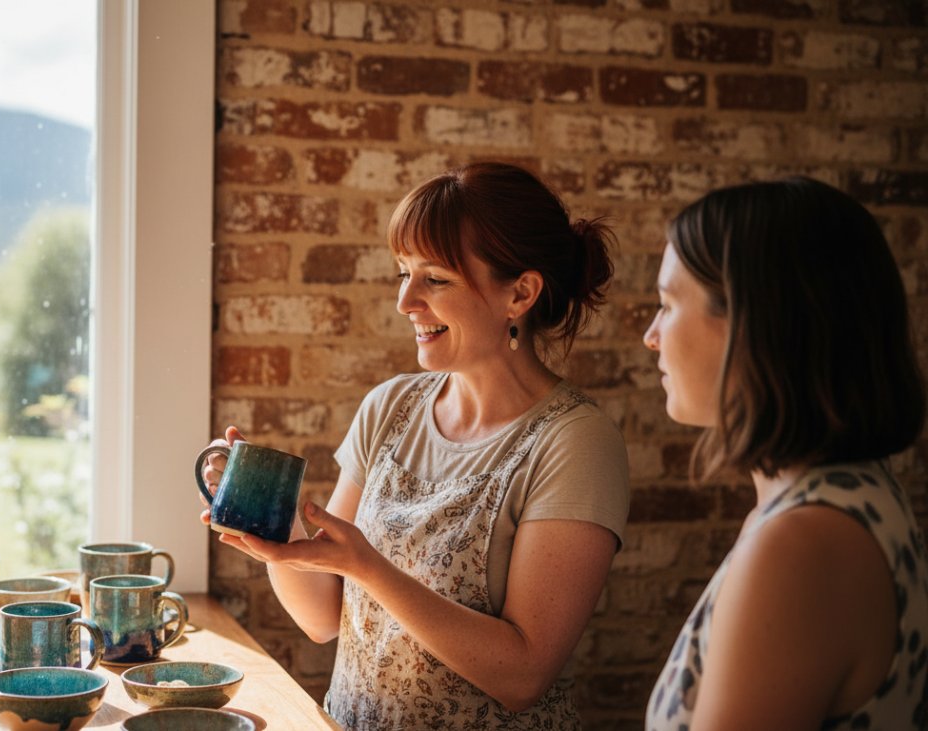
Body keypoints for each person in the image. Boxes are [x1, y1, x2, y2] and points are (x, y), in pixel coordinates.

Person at [200, 162, 631, 730]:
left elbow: (525, 674)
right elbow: (323, 616)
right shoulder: (390, 407)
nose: (405, 300)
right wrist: (273, 531)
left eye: (436, 278)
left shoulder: (574, 442)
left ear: (520, 294)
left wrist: (371, 568)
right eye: (403, 272)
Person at [643, 177, 928, 730]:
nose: (652, 335)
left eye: (667, 304)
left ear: (753, 326)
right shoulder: (844, 495)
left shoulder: (802, 546)